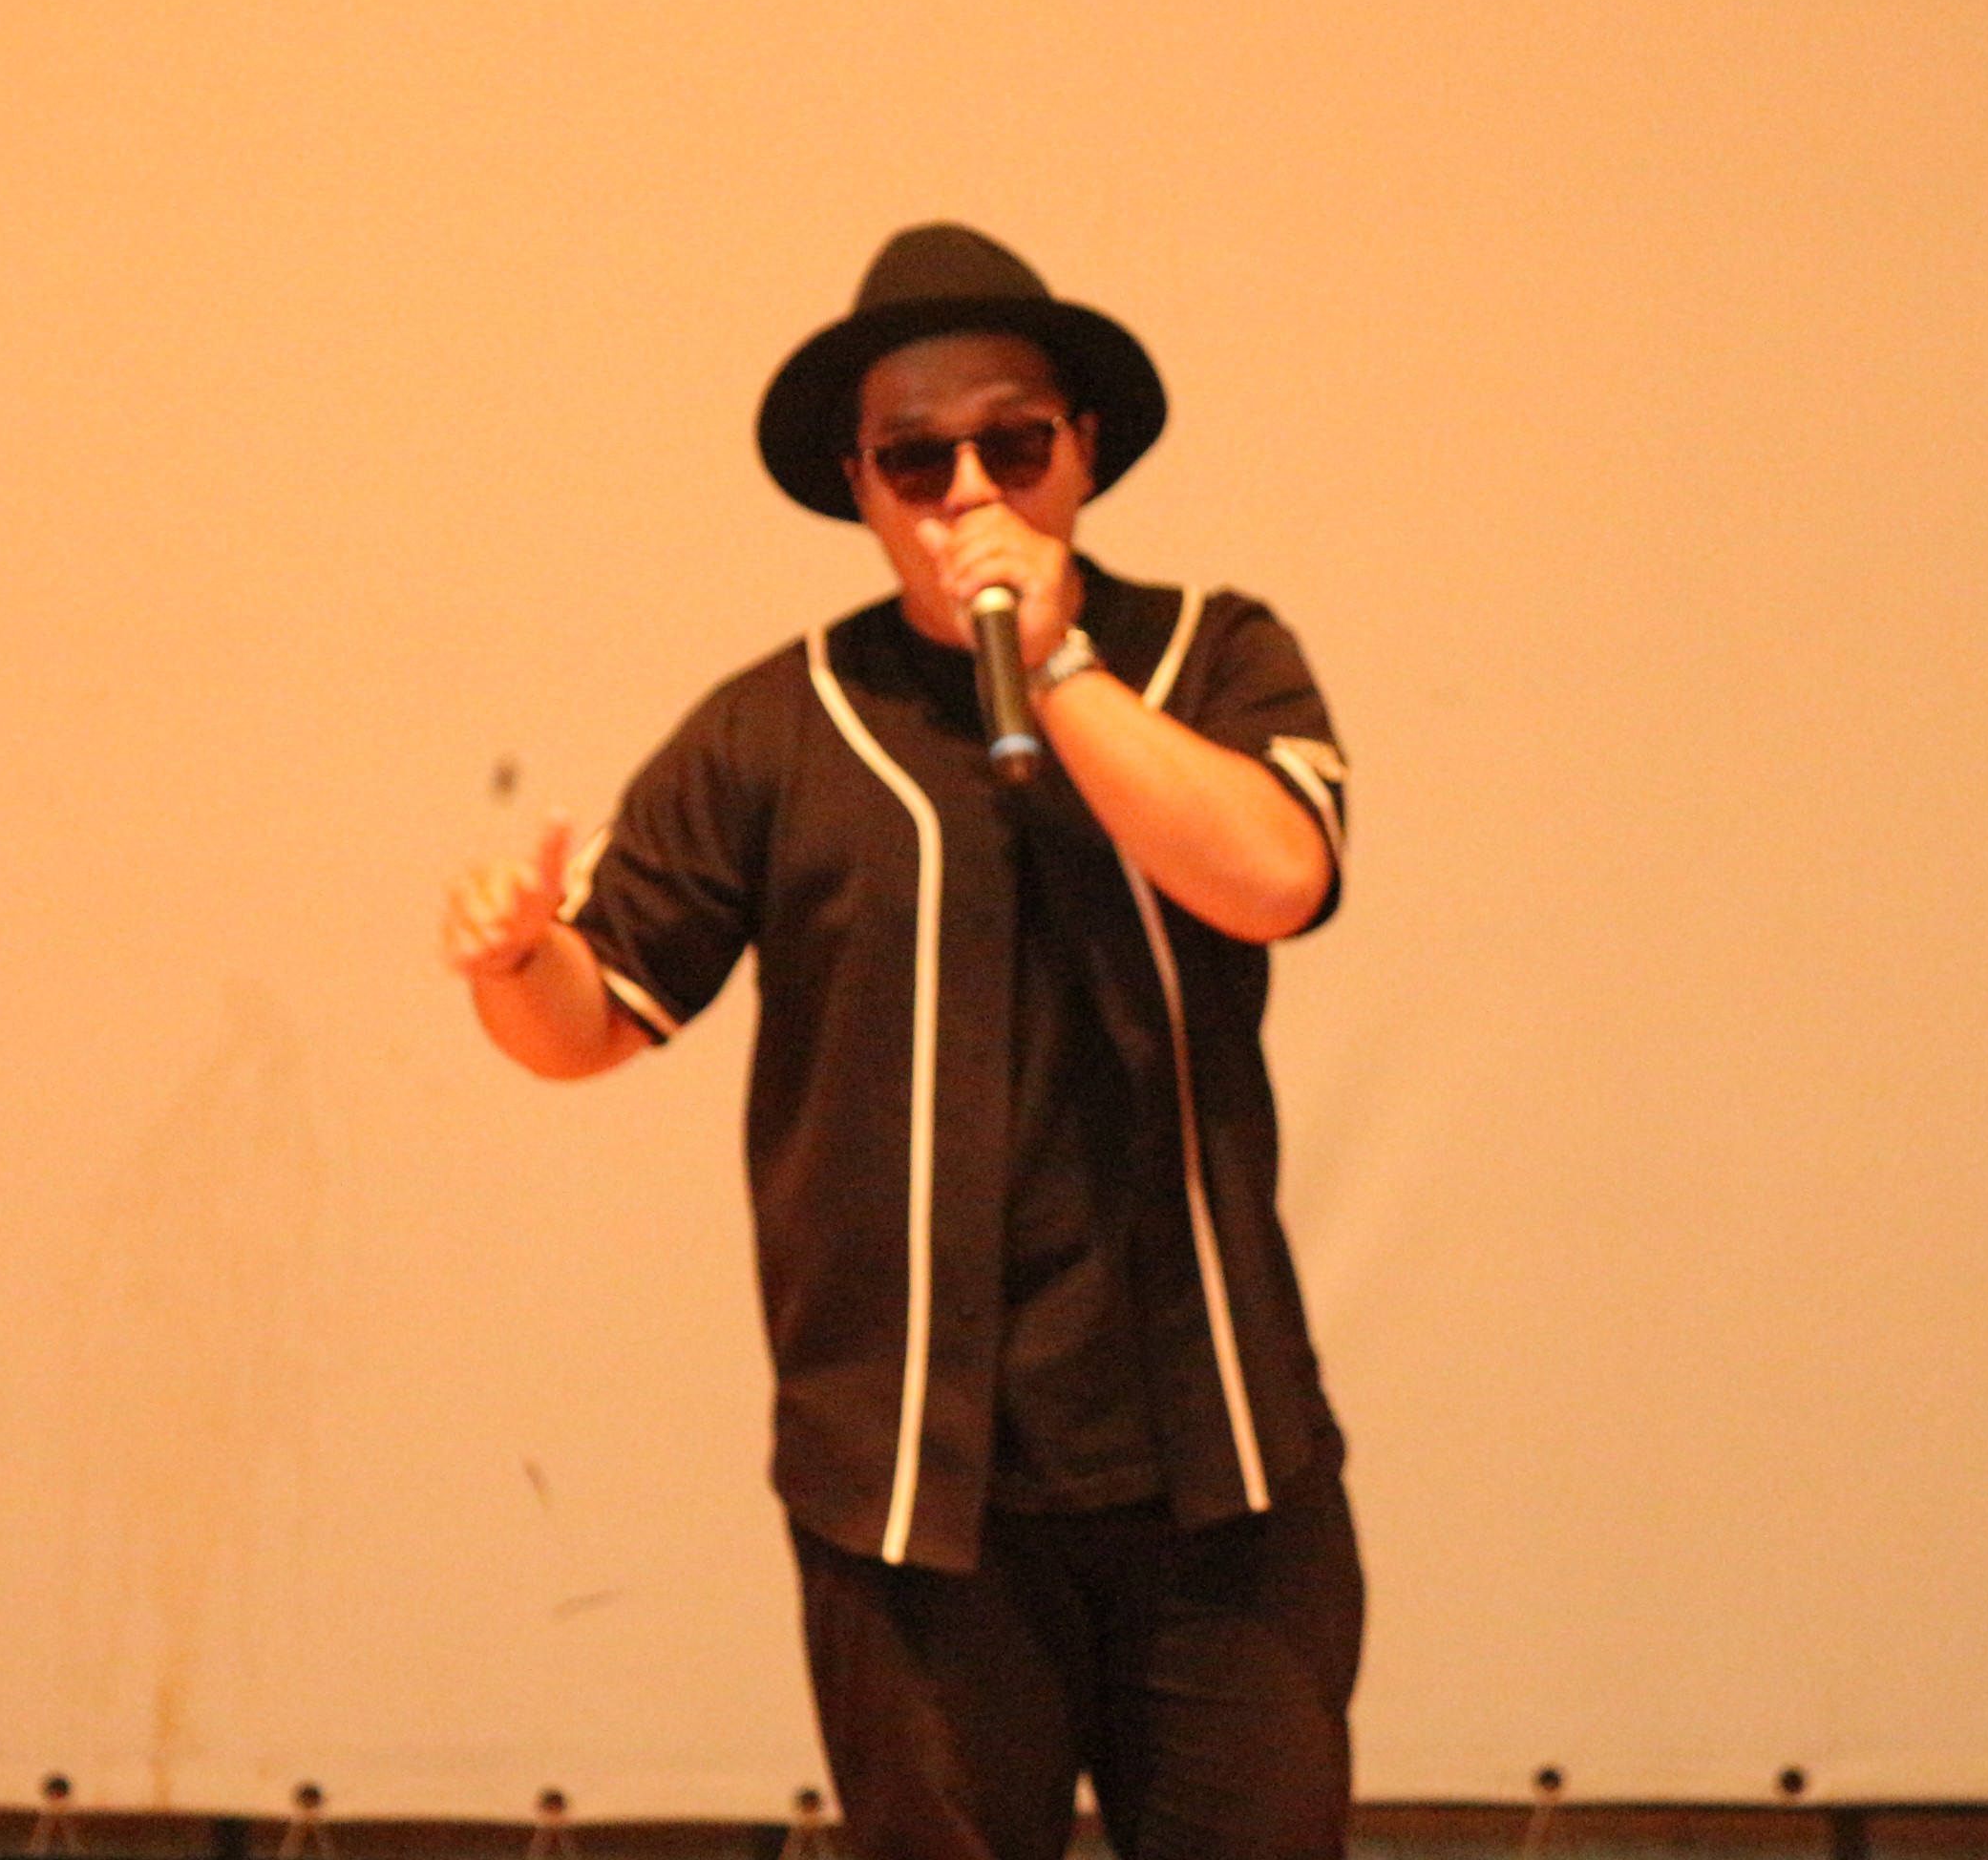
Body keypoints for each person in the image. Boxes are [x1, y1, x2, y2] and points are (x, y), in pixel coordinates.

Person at [443, 224, 1361, 1860]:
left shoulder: (1212, 656)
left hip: (1218, 1463)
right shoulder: (776, 724)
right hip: (912, 1500)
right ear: (860, 486)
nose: (968, 494)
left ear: (1084, 449)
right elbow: (591, 1021)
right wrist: (515, 962)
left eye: (1015, 444)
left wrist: (1054, 662)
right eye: (917, 460)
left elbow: (1277, 876)